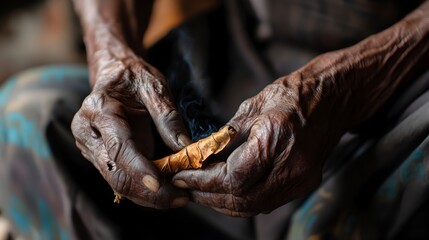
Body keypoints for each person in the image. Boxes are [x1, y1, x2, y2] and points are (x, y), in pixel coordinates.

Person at [1, 0, 429, 239]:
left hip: (399, 84)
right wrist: (110, 55)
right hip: (230, 68)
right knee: (28, 114)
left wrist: (339, 87)